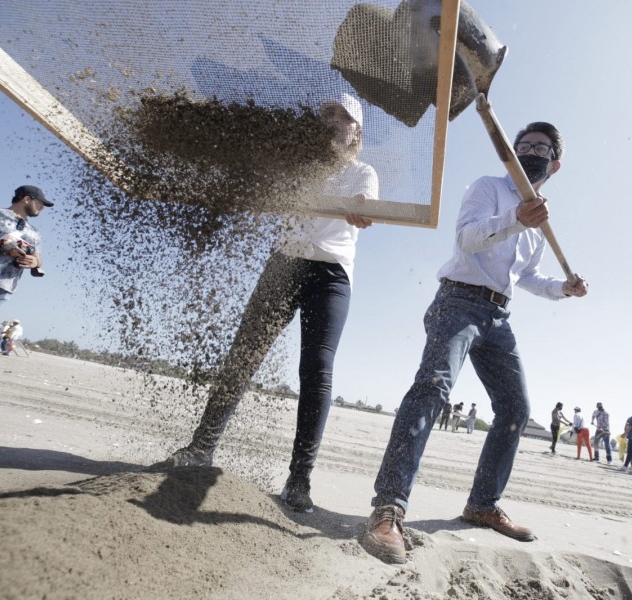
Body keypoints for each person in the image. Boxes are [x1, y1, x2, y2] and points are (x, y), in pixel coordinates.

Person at [360, 121, 588, 564]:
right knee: (432, 388)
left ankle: (482, 503)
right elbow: (466, 239)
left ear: (554, 164)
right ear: (511, 152)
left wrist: (564, 288)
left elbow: (525, 278)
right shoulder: (489, 188)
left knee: (516, 408)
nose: (531, 151)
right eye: (523, 146)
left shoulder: (542, 219)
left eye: (541, 148)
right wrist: (513, 220)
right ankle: (388, 509)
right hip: (459, 301)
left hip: (499, 315)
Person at [150, 93, 378, 514]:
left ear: (356, 131)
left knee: (316, 368)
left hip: (329, 275)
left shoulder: (362, 172)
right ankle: (201, 448)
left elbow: (365, 202)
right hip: (283, 265)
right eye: (325, 114)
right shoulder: (294, 163)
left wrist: (361, 210)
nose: (332, 122)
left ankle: (299, 479)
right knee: (244, 355)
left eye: (342, 117)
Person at [0, 186, 53, 315]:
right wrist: (1, 244)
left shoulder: (34, 232)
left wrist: (34, 262)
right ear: (26, 199)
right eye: (40, 202)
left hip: (5, 287)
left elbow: (37, 259)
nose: (42, 207)